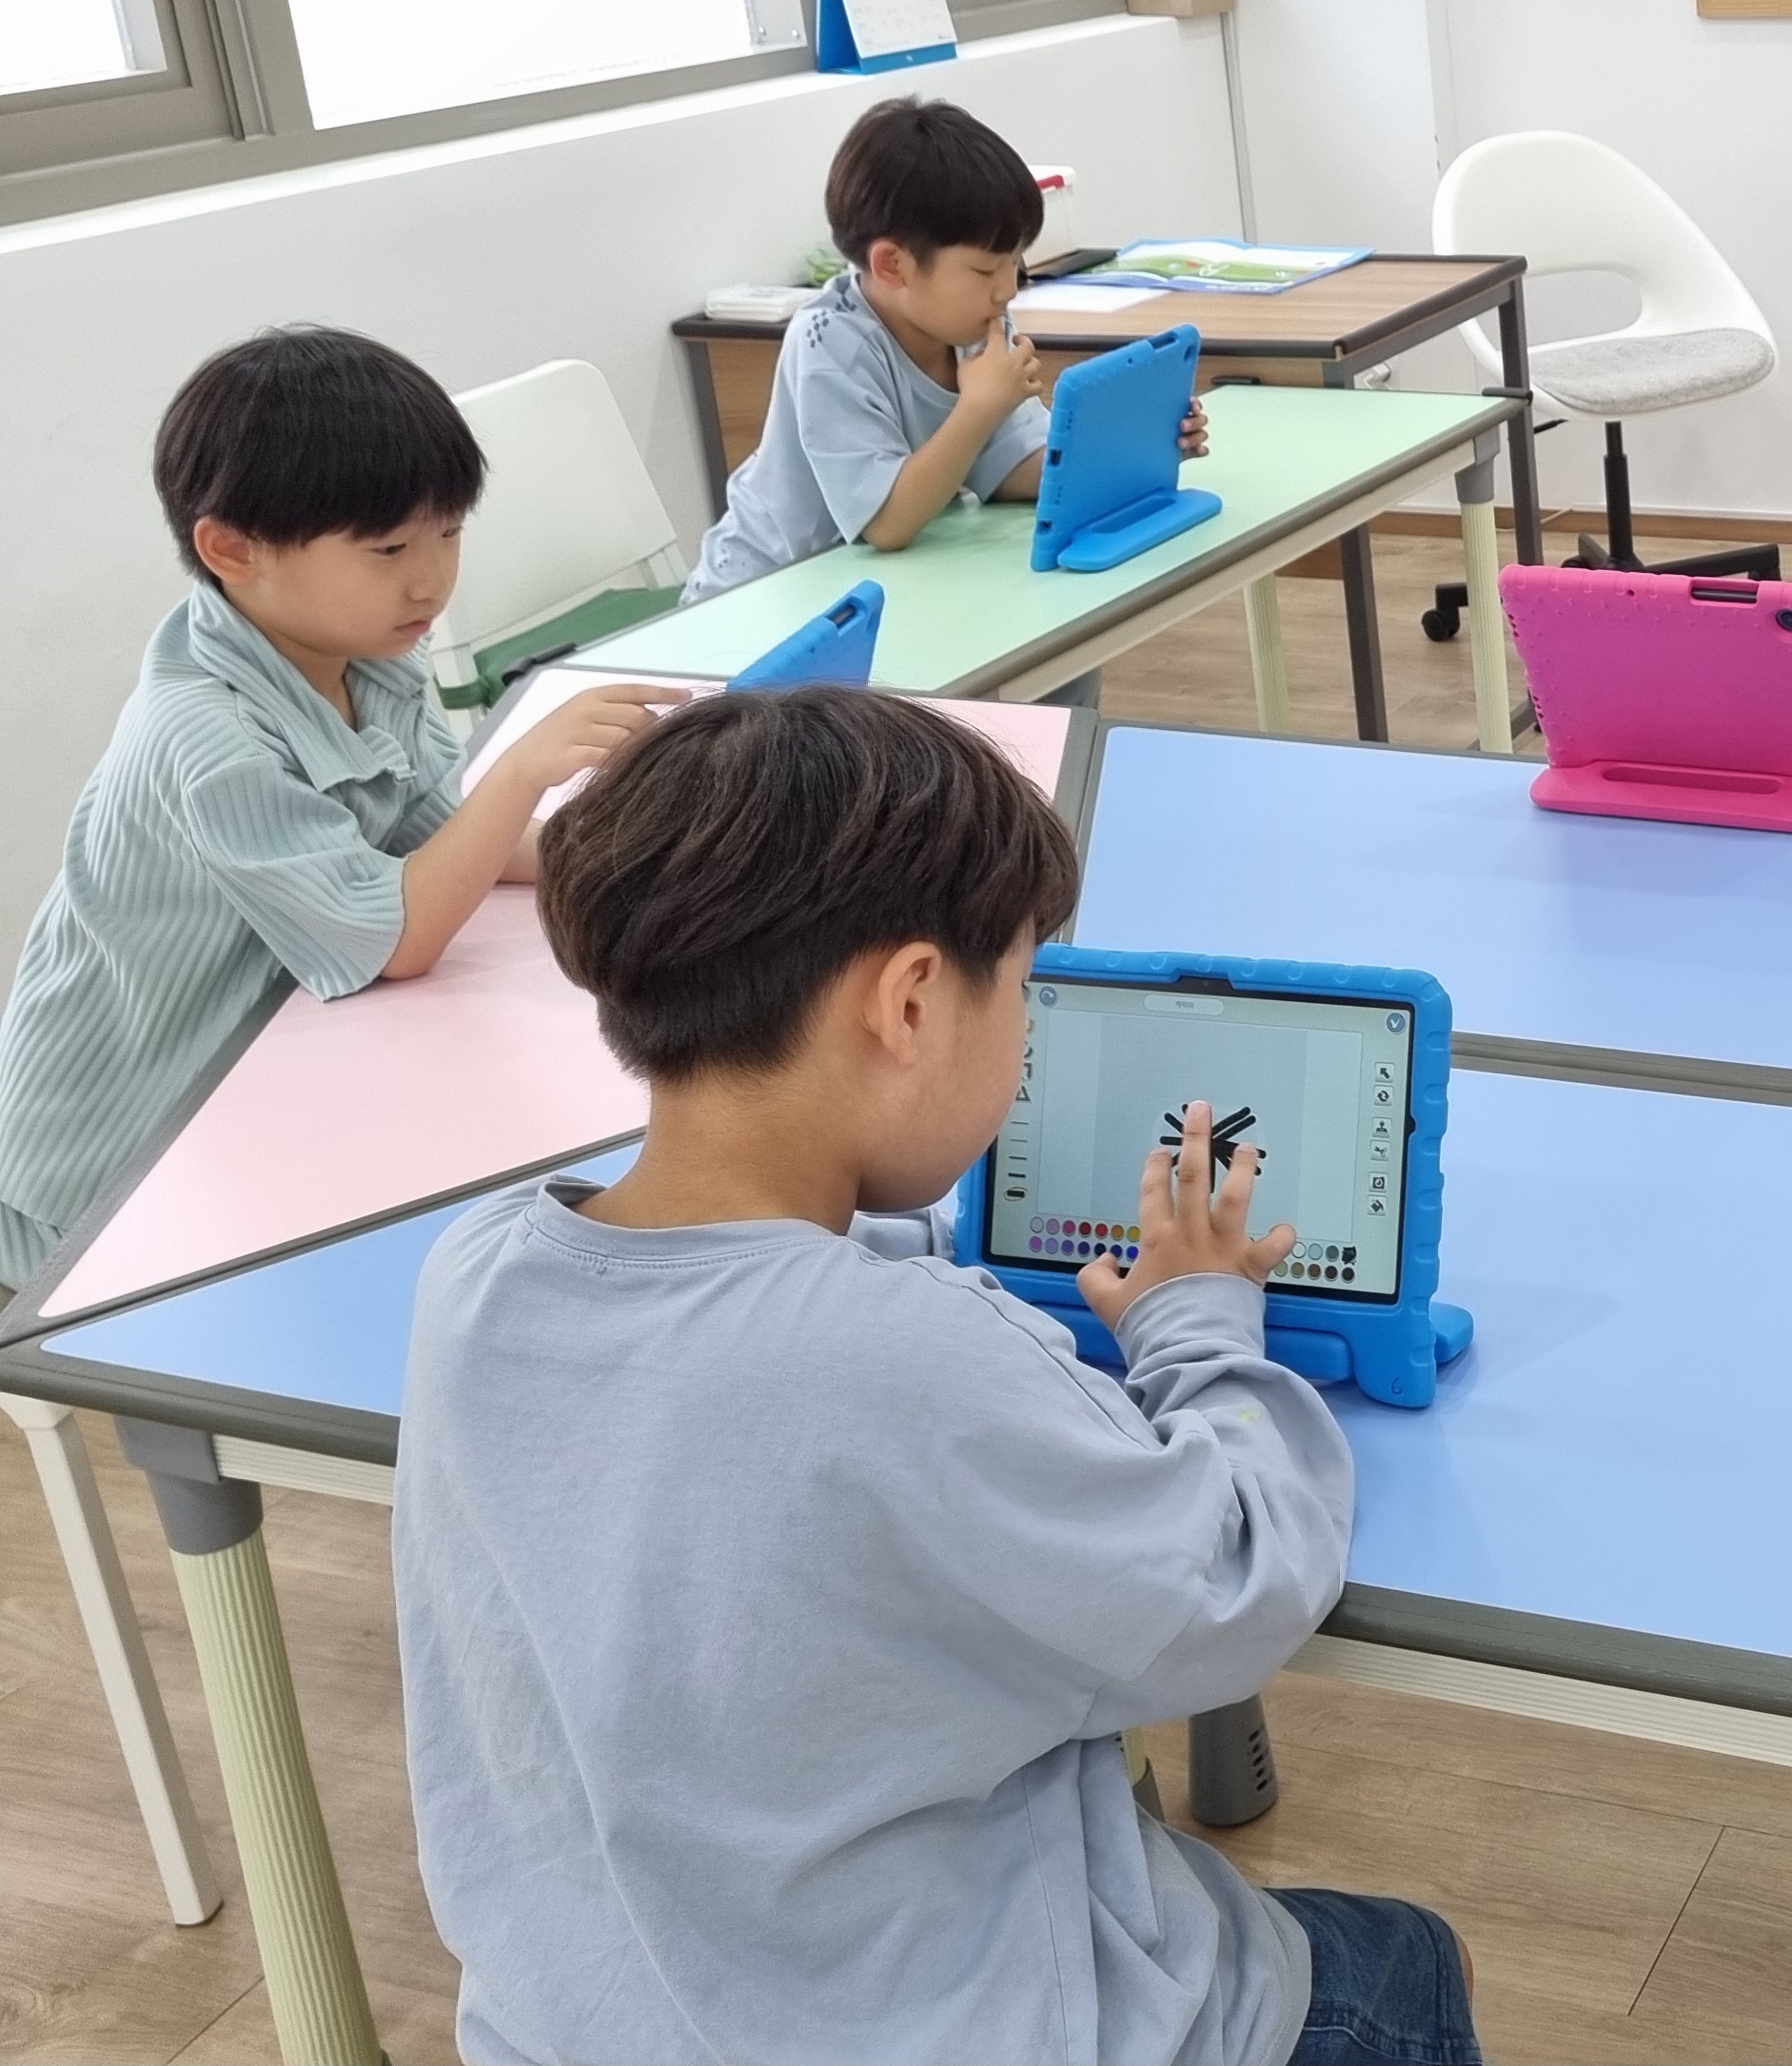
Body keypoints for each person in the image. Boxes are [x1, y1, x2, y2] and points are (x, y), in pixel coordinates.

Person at [395, 685, 1476, 2065]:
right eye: (1018, 990)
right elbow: (1238, 1587)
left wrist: (890, 1253)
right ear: (910, 1000)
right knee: (1406, 1962)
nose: (1021, 1039)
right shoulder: (907, 1360)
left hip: (583, 2029)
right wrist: (1200, 1320)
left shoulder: (476, 1271)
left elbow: (742, 1316)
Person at [0, 329, 662, 1290]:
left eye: (449, 533)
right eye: (389, 548)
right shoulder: (209, 735)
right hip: (105, 1160)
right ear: (232, 549)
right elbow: (395, 936)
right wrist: (522, 770)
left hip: (258, 1073)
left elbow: (439, 840)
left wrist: (618, 852)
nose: (432, 579)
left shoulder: (362, 656)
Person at [688, 96, 1203, 595]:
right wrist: (979, 407)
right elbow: (888, 523)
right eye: (985, 270)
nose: (1008, 290)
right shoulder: (829, 345)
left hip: (873, 582)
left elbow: (1008, 465)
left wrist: (1134, 449)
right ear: (892, 265)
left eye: (1015, 264)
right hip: (761, 594)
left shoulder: (971, 322)